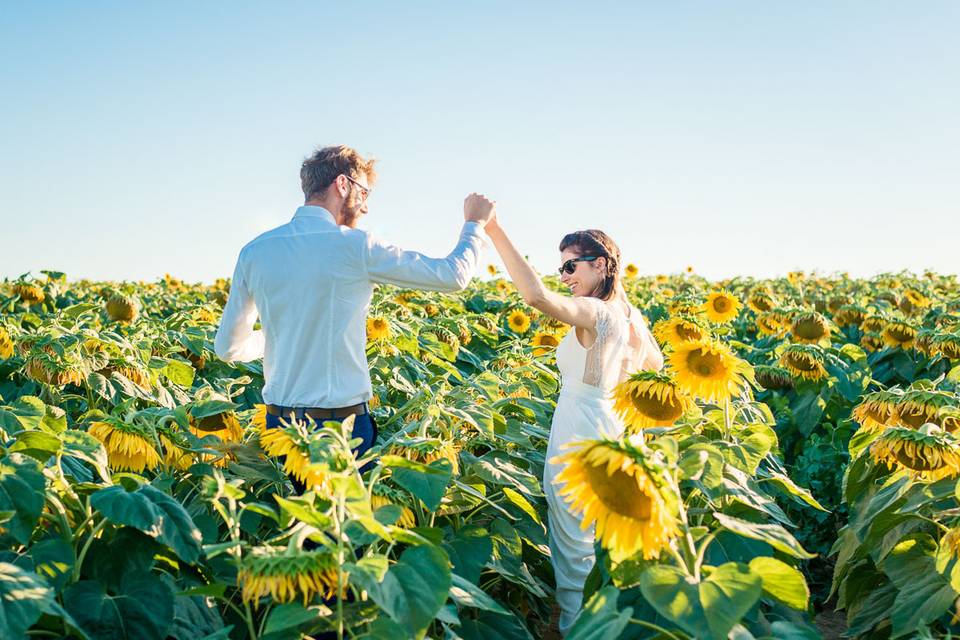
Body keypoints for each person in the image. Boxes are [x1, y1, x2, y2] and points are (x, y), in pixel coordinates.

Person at [214, 144, 495, 491]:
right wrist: (474, 223)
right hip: (337, 428)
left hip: (280, 427)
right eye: (364, 192)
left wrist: (280, 334)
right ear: (342, 185)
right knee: (345, 537)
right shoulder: (355, 245)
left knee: (303, 530)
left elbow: (227, 348)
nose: (366, 205)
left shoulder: (255, 251)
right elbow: (451, 276)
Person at [484, 217, 663, 635]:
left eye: (571, 266)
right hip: (620, 432)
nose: (563, 277)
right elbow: (655, 367)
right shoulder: (631, 316)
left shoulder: (596, 312)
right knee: (612, 546)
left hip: (580, 432)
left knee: (574, 551)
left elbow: (535, 296)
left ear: (601, 264)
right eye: (560, 267)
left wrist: (492, 228)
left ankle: (579, 630)